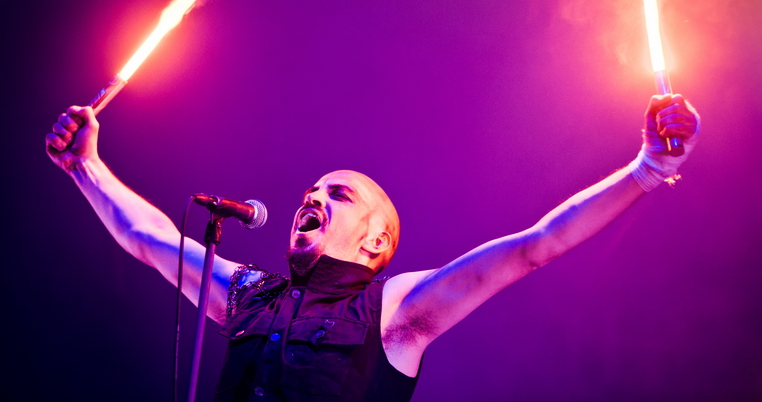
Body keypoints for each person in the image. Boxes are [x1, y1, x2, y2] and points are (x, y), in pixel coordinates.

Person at [45, 94, 699, 401]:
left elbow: (535, 247)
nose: (315, 197)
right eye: (311, 190)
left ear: (377, 238)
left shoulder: (394, 307)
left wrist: (646, 169)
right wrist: (84, 167)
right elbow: (147, 239)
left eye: (340, 195)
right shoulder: (248, 294)